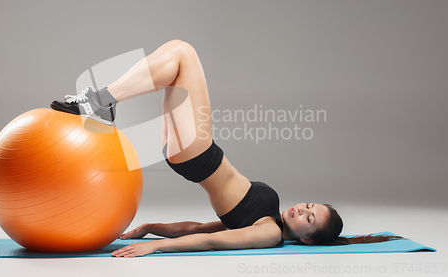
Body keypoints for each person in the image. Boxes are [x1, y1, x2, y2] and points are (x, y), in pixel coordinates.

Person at [51, 40, 403, 258]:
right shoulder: (273, 215)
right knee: (174, 65)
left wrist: (155, 247)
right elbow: (202, 229)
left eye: (310, 220)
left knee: (183, 52)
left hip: (199, 155)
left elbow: (211, 244)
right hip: (190, 155)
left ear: (308, 241)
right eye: (310, 206)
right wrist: (151, 227)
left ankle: (100, 102)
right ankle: (103, 102)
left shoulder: (268, 233)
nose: (302, 211)